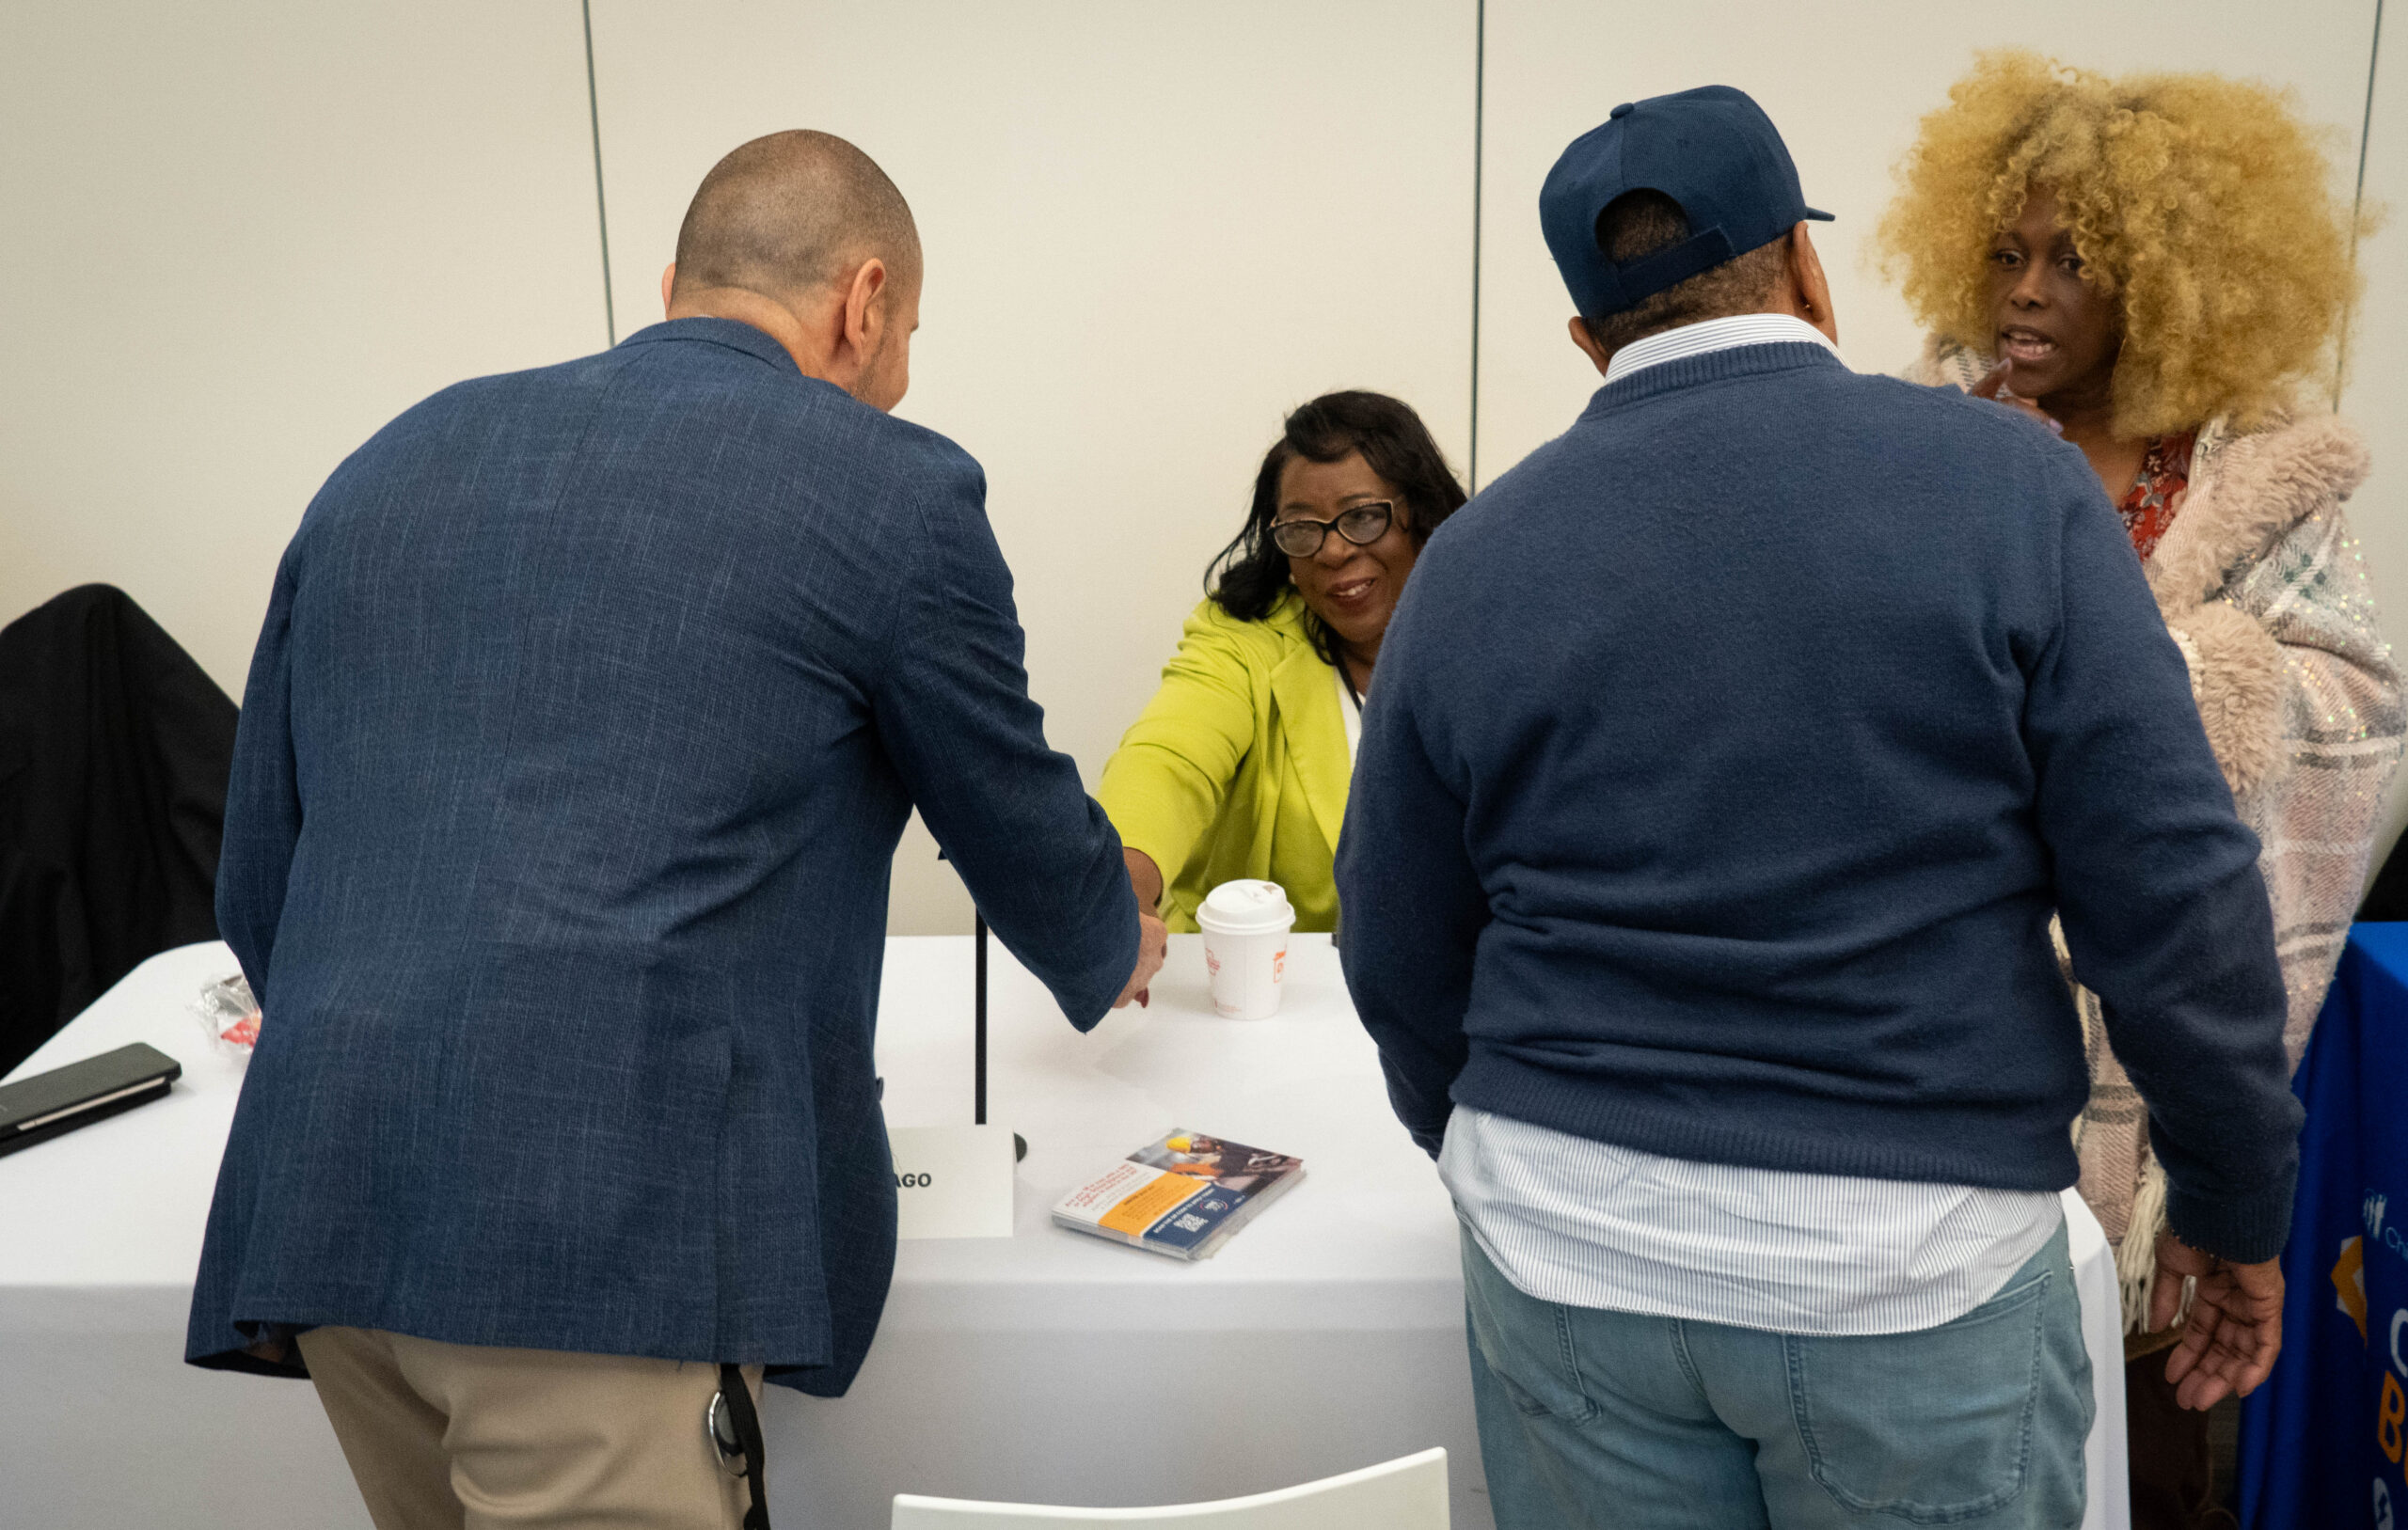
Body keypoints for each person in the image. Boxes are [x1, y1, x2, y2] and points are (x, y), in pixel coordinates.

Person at [1337, 86, 2304, 1530]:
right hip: (1909, 1260)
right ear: (1806, 262)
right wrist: (2231, 1200)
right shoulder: (2015, 489)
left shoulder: (1473, 557)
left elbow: (1394, 934)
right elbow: (2171, 894)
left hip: (1566, 1248)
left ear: (1590, 339)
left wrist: (1496, 1140)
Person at [184, 130, 1165, 1530]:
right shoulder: (891, 488)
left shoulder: (391, 458)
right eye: (909, 335)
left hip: (322, 1204)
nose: (901, 370)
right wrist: (1114, 934)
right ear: (865, 301)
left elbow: (259, 879)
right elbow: (1013, 816)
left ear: (672, 288)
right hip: (591, 1244)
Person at [1879, 54, 2403, 1526]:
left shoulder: (2260, 477)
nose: (2026, 293)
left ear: (2169, 289)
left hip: (2161, 1056)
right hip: (1953, 1032)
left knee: (2152, 1453)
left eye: (2075, 263)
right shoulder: (1925, 442)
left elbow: (2354, 708)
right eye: (2006, 254)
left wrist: (2168, 677)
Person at [1097, 392, 1465, 932]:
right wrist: (1117, 892)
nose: (1333, 551)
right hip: (1267, 976)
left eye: (1364, 517)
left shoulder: (1494, 635)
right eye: (1302, 528)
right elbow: (1168, 758)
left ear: (1422, 512)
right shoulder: (1244, 636)